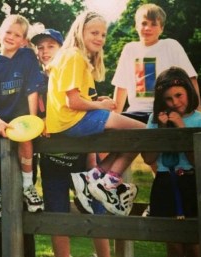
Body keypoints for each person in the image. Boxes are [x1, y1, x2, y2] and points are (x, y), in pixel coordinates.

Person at [45, 10, 145, 217]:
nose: (100, 38)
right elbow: (71, 101)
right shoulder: (75, 56)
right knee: (142, 132)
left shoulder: (71, 56)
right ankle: (108, 183)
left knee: (125, 138)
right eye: (94, 33)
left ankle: (94, 176)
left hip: (71, 120)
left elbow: (75, 97)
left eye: (103, 34)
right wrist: (101, 107)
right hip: (74, 121)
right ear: (80, 31)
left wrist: (97, 102)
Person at [31, 28, 110, 257]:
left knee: (97, 211)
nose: (45, 52)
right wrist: (40, 119)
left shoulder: (77, 72)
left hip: (82, 160)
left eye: (50, 46)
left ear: (62, 47)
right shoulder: (35, 82)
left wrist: (92, 157)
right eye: (40, 47)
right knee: (57, 217)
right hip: (52, 161)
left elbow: (90, 117)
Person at [0, 14, 44, 222]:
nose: (11, 37)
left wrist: (33, 120)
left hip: (17, 118)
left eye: (17, 35)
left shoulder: (27, 57)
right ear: (0, 32)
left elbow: (32, 89)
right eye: (8, 32)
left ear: (23, 40)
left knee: (26, 139)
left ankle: (28, 186)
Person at [142, 66, 201, 257]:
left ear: (189, 90)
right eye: (169, 99)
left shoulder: (200, 121)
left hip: (193, 183)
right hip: (165, 183)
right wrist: (162, 130)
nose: (175, 102)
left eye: (179, 95)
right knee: (174, 244)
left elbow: (200, 163)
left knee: (195, 244)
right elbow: (148, 158)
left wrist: (181, 128)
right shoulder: (156, 119)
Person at [112, 3, 201, 124]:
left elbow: (191, 79)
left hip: (165, 112)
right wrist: (115, 116)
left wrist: (197, 114)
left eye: (154, 24)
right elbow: (121, 87)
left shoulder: (170, 45)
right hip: (136, 112)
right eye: (144, 23)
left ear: (161, 28)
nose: (148, 28)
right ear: (136, 26)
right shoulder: (129, 49)